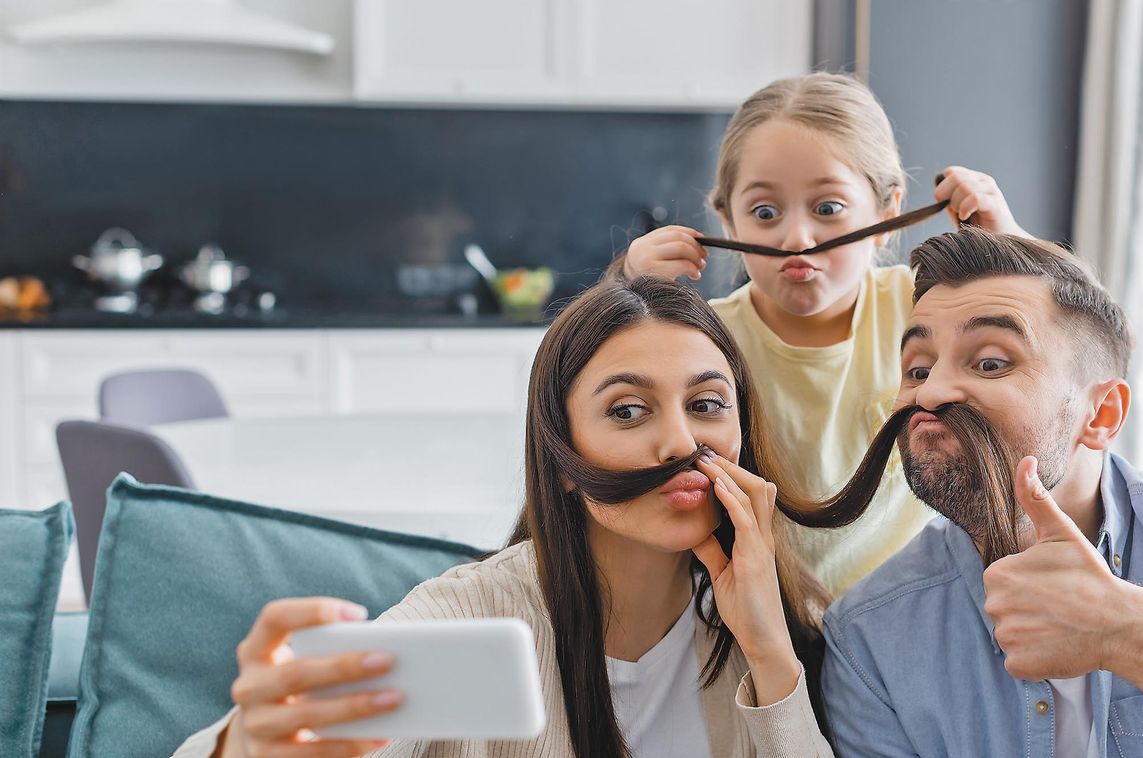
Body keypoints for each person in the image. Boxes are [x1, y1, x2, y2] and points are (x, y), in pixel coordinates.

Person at [174, 277, 834, 758]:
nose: (678, 444)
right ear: (562, 460)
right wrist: (249, 743)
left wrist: (770, 650)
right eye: (627, 411)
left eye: (708, 404)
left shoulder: (783, 623)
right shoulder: (473, 614)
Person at [822, 228, 1143, 756]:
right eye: (918, 368)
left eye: (990, 363)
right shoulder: (868, 638)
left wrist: (1132, 635)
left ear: (1101, 414)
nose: (931, 392)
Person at [617, 72, 1031, 594]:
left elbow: (1079, 342)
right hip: (760, 603)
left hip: (913, 602)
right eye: (765, 212)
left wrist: (1012, 246)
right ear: (727, 221)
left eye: (828, 209)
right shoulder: (708, 338)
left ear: (888, 209)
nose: (797, 238)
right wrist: (628, 293)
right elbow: (599, 393)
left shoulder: (929, 309)